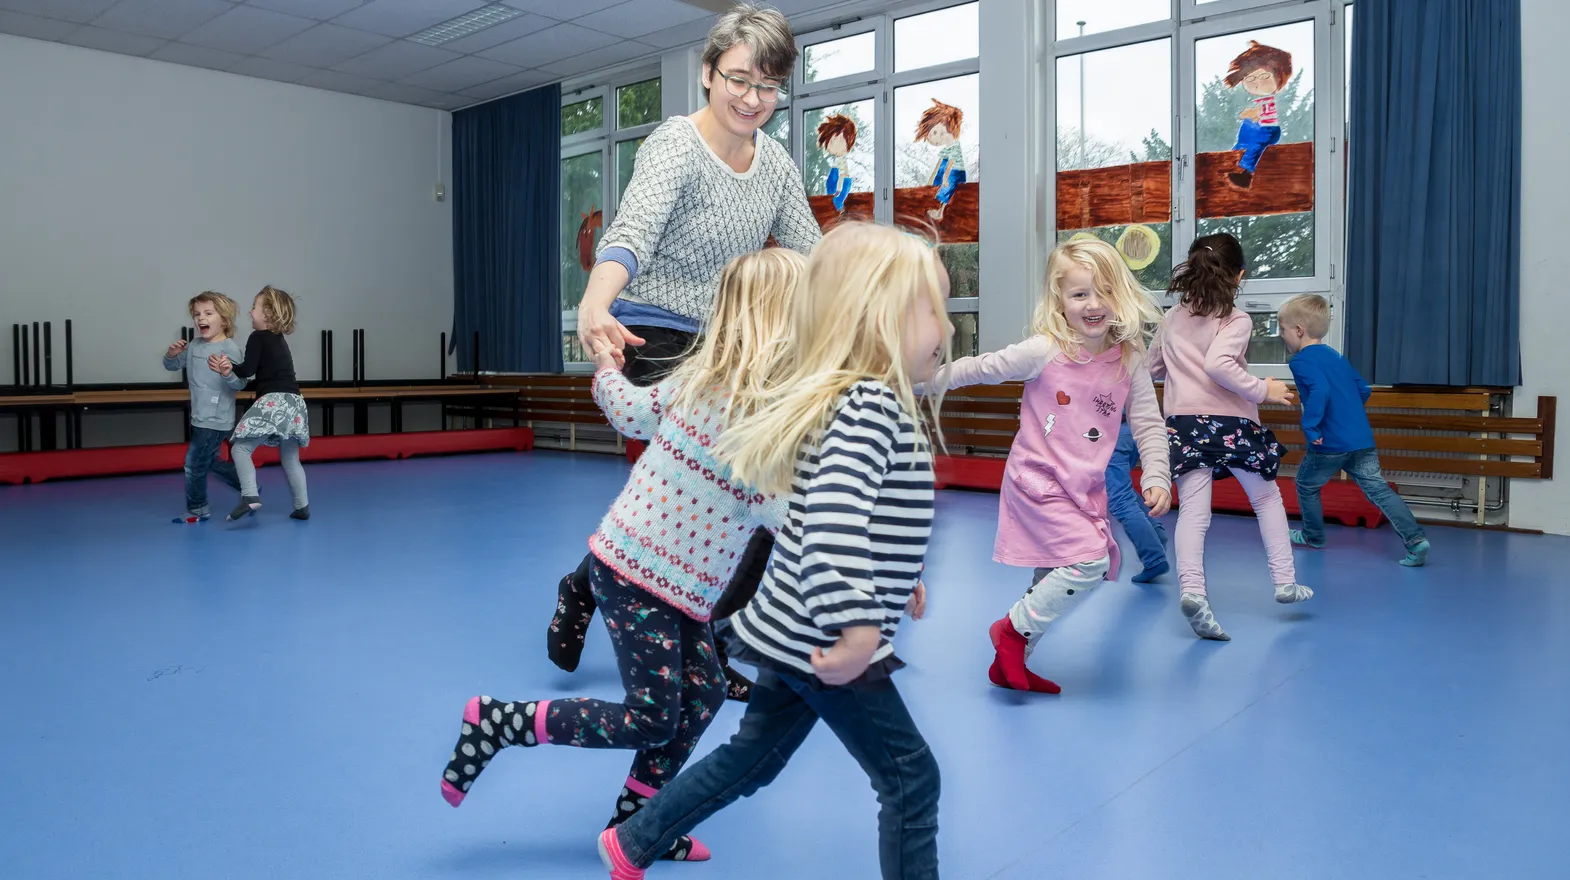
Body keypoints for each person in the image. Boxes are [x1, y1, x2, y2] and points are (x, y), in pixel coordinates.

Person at [597, 223, 950, 880]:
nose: (947, 326)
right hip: (826, 637)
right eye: (933, 308)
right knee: (911, 780)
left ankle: (636, 838)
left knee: (753, 757)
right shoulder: (870, 405)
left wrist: (905, 574)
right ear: (878, 319)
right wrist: (859, 623)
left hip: (789, 625)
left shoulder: (845, 396)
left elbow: (836, 510)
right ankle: (638, 836)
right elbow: (833, 523)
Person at [440, 249, 805, 864]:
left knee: (706, 692)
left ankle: (638, 823)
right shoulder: (741, 406)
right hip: (636, 573)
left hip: (679, 586)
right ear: (779, 325)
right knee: (651, 715)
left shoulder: (718, 387)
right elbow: (784, 512)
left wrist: (609, 368)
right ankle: (501, 721)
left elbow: (629, 411)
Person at [549, 4, 824, 699]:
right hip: (657, 333)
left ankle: (678, 621)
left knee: (731, 496)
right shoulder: (676, 144)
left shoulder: (778, 166)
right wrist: (594, 301)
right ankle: (623, 601)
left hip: (733, 345)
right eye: (738, 78)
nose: (751, 98)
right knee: (708, 489)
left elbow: (812, 257)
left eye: (768, 86)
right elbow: (632, 232)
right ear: (708, 74)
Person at [925, 239, 1169, 694]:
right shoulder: (1045, 349)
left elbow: (1149, 423)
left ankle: (1008, 665)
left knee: (1049, 579)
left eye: (1105, 292)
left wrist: (1155, 474)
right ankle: (1011, 632)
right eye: (1080, 295)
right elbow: (979, 368)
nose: (1094, 304)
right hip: (1036, 481)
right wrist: (920, 381)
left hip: (1084, 487)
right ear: (1059, 300)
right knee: (1088, 562)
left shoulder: (1130, 359)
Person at [1148, 233, 1312, 641]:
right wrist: (1264, 390)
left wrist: (1179, 371)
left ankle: (1192, 591)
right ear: (1239, 276)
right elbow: (1220, 364)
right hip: (1232, 423)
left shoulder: (1172, 318)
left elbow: (1152, 368)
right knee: (1265, 497)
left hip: (1185, 424)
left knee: (1193, 513)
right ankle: (1285, 582)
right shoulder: (1235, 318)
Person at [1278, 293, 1430, 566]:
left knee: (1305, 484)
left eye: (1282, 329)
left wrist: (1311, 427)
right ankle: (1416, 540)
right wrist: (1348, 414)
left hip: (1329, 443)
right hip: (1361, 439)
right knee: (1380, 490)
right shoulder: (1336, 356)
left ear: (1299, 330)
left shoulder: (1300, 361)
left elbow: (1320, 391)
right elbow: (1362, 389)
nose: (1280, 335)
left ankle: (1314, 536)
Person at [209, 286, 309, 522]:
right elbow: (267, 377)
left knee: (240, 448)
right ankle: (302, 506)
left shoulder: (258, 337)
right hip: (294, 402)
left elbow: (248, 370)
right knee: (291, 459)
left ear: (268, 314)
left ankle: (250, 496)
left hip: (274, 402)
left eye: (254, 307)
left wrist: (228, 367)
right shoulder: (279, 341)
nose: (250, 312)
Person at [164, 292, 247, 524]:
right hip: (199, 416)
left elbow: (240, 383)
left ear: (224, 320)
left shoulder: (230, 349)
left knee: (193, 464)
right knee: (209, 461)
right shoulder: (194, 345)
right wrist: (171, 355)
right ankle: (248, 487)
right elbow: (172, 365)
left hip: (217, 418)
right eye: (197, 314)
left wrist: (227, 372)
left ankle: (198, 507)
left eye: (208, 313)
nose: (201, 318)